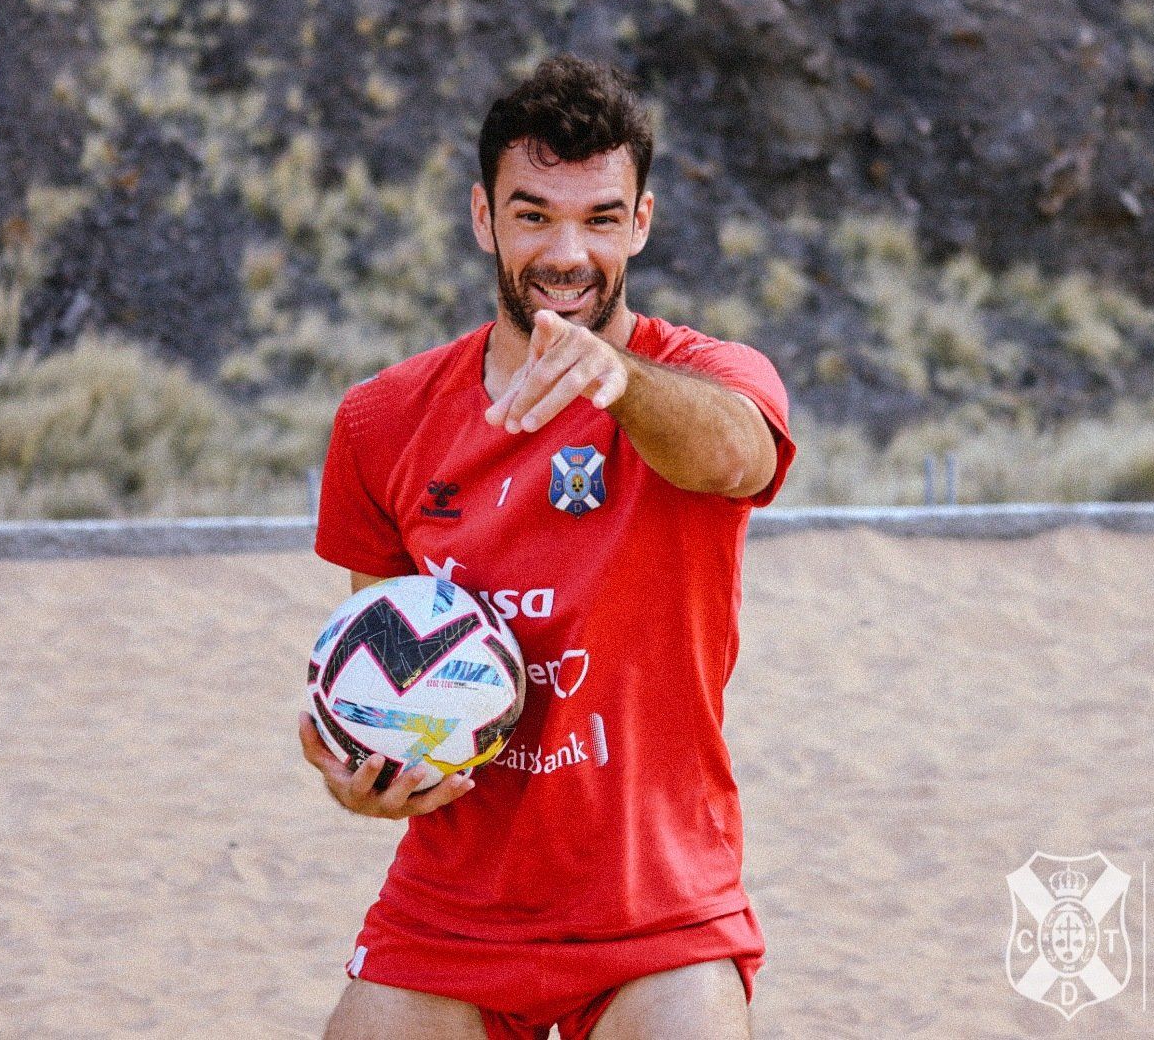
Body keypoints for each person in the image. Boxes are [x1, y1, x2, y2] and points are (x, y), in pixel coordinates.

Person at [300, 54, 797, 1040]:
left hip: (657, 912)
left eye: (600, 219)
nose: (567, 251)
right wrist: (364, 778)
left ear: (641, 223)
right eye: (534, 215)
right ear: (484, 218)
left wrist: (614, 378)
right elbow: (379, 671)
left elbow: (738, 455)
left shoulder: (701, 382)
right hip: (452, 920)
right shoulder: (381, 421)